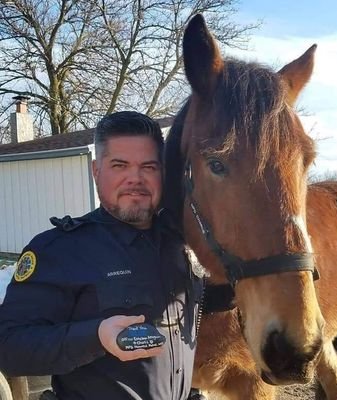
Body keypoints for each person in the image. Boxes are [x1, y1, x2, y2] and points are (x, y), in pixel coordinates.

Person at [0, 111, 205, 400]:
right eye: (119, 165)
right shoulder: (60, 249)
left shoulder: (180, 243)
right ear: (96, 171)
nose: (135, 179)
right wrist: (96, 337)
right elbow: (9, 348)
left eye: (148, 166)